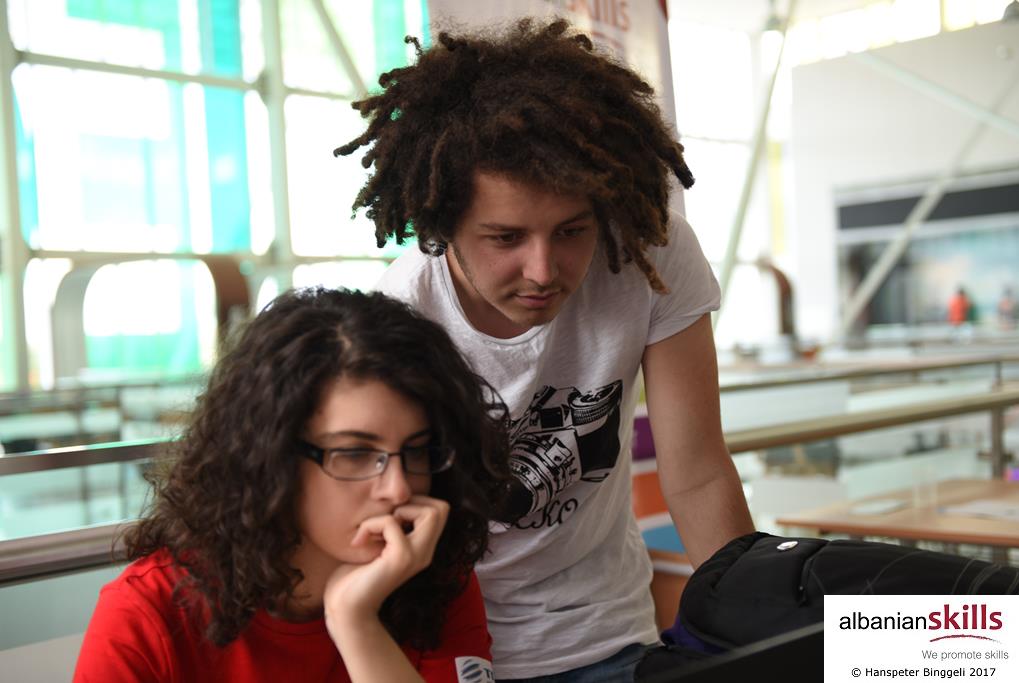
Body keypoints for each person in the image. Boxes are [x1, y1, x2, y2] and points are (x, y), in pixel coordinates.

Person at [334, 18, 754, 682]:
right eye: (505, 238)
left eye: (571, 230)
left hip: (611, 633)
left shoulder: (650, 252)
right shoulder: (403, 314)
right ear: (443, 224)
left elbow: (698, 473)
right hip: (456, 644)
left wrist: (758, 633)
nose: (542, 270)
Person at [73, 288, 510, 683]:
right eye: (354, 453)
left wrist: (355, 622)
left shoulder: (429, 573)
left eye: (417, 451)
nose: (397, 489)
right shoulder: (147, 616)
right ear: (272, 457)